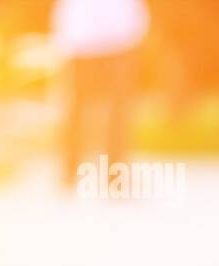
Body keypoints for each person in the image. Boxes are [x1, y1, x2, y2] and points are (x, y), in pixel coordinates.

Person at [51, 0, 149, 188]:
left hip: (116, 37)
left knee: (117, 113)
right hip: (83, 37)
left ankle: (115, 177)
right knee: (78, 110)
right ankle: (69, 174)